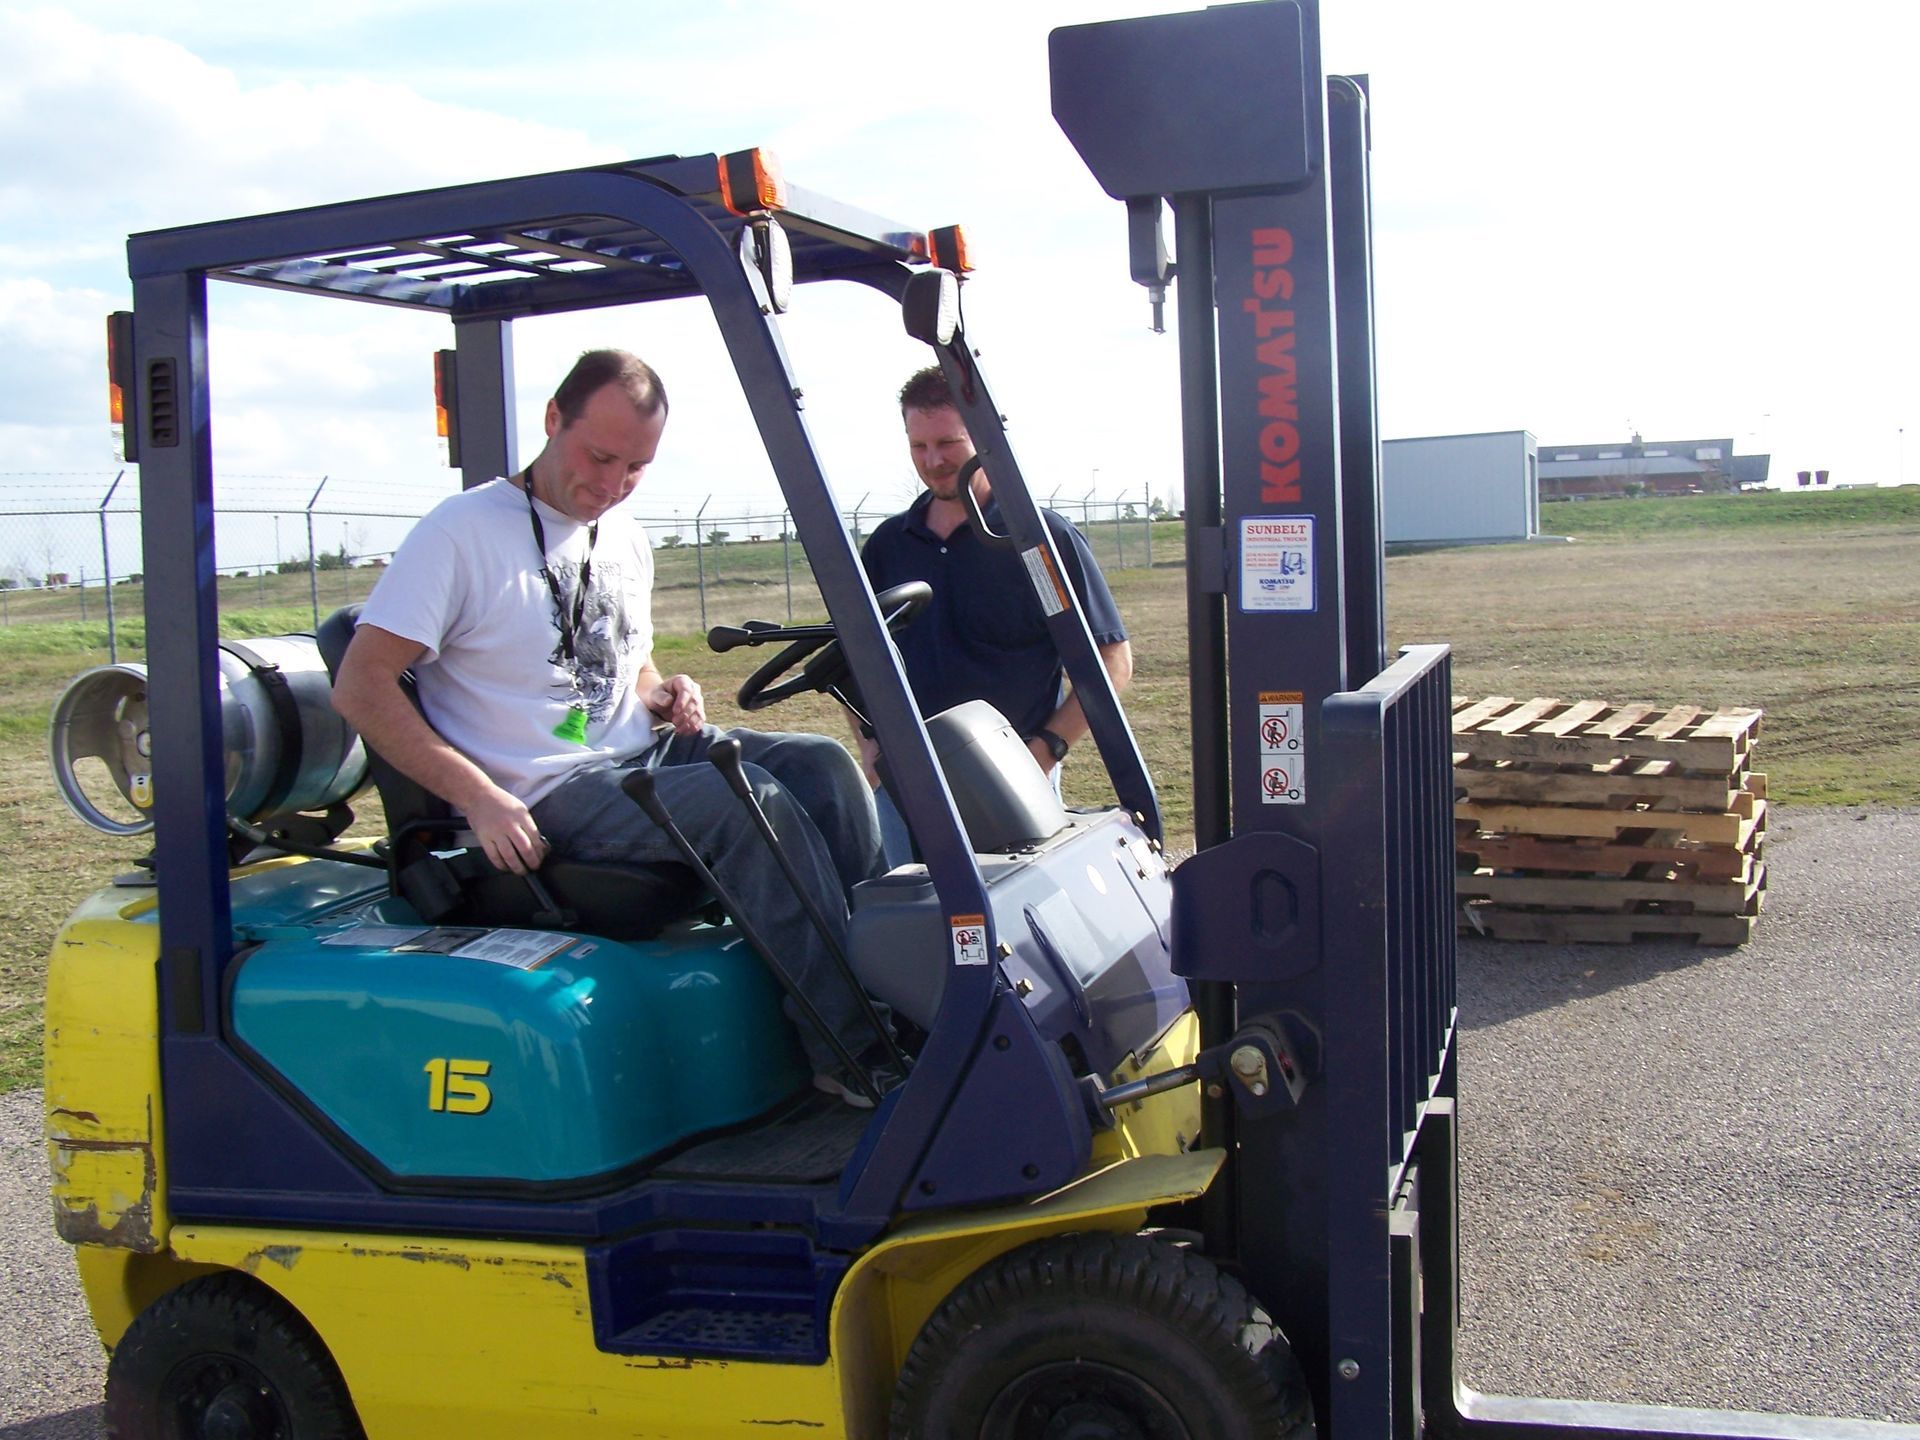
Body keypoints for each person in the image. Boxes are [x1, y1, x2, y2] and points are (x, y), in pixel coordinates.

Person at [332, 348, 890, 1104]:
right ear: (553, 419)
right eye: (599, 457)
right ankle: (853, 1053)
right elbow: (362, 687)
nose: (611, 484)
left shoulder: (623, 533)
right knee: (743, 802)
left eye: (635, 467)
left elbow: (626, 664)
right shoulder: (461, 534)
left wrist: (663, 691)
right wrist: (480, 797)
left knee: (820, 765)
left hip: (636, 755)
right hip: (544, 790)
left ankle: (890, 996)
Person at [858, 366, 1133, 863]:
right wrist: (871, 750)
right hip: (907, 783)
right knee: (911, 921)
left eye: (948, 443)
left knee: (1015, 926)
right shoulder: (889, 547)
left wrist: (1045, 750)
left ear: (982, 440)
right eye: (919, 447)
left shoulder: (1033, 542)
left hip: (1012, 781)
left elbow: (1111, 659)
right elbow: (857, 658)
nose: (934, 461)